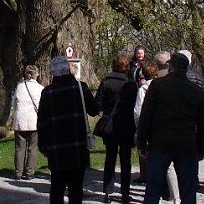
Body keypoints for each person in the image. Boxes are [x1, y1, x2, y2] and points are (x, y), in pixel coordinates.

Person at [136, 52, 204, 204]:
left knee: (153, 190)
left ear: (171, 67)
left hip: (160, 142)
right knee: (188, 191)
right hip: (186, 143)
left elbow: (146, 116)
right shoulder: (195, 90)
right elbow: (203, 123)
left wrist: (142, 142)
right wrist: (201, 148)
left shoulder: (157, 85)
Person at [37, 55, 99, 204]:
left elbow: (42, 122)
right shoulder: (80, 87)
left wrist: (43, 145)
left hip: (56, 146)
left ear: (52, 73)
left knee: (56, 187)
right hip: (77, 143)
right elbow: (94, 110)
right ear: (67, 69)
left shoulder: (47, 92)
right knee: (76, 188)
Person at [96, 55, 137, 203]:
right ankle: (125, 192)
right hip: (126, 124)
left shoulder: (106, 82)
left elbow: (98, 104)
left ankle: (107, 191)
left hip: (111, 124)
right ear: (127, 67)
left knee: (110, 158)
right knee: (126, 160)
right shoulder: (131, 84)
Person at [12, 64, 43, 181]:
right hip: (33, 121)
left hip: (20, 121)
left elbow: (14, 104)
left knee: (19, 148)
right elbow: (41, 106)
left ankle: (18, 172)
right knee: (32, 148)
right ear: (36, 74)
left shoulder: (19, 87)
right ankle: (29, 172)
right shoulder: (40, 88)